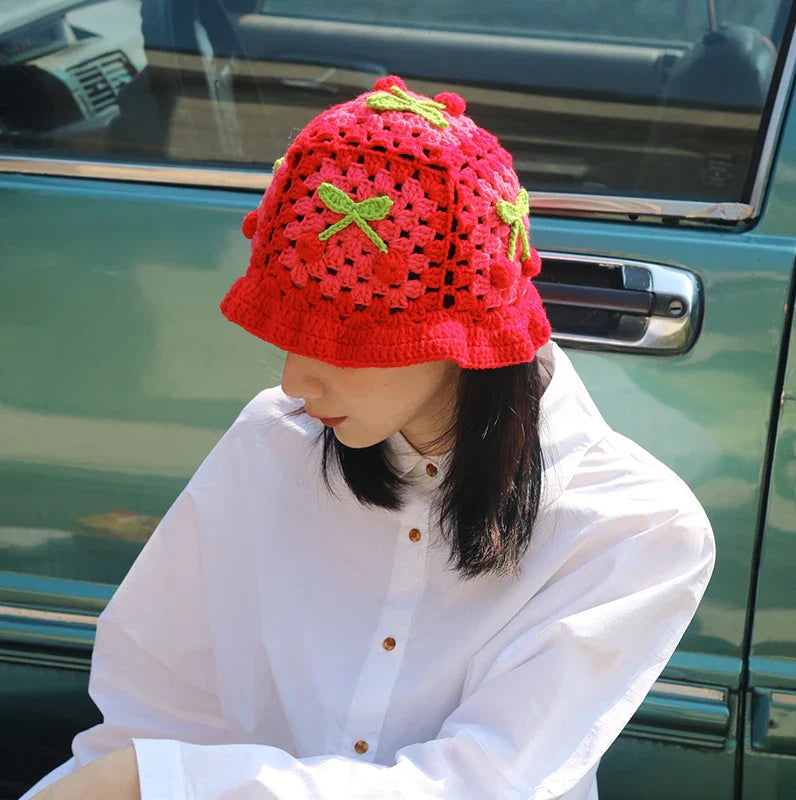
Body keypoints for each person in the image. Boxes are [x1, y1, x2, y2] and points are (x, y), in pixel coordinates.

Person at [21, 76, 715, 800]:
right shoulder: (272, 442)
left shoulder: (635, 528)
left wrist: (161, 782)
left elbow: (482, 785)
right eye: (286, 331)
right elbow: (153, 708)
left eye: (340, 337)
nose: (294, 381)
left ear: (459, 336)